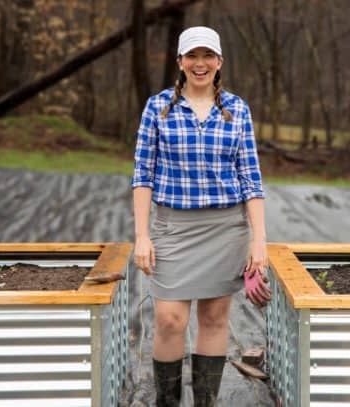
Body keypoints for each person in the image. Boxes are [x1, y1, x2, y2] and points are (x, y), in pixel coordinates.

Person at [131, 26, 270, 407]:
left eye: (208, 56)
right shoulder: (158, 108)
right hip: (172, 229)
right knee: (169, 320)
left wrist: (259, 240)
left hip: (226, 230)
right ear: (180, 62)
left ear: (219, 61)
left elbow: (250, 180)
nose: (200, 64)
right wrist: (142, 236)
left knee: (213, 319)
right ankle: (168, 402)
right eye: (192, 56)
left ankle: (205, 402)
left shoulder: (237, 109)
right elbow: (143, 175)